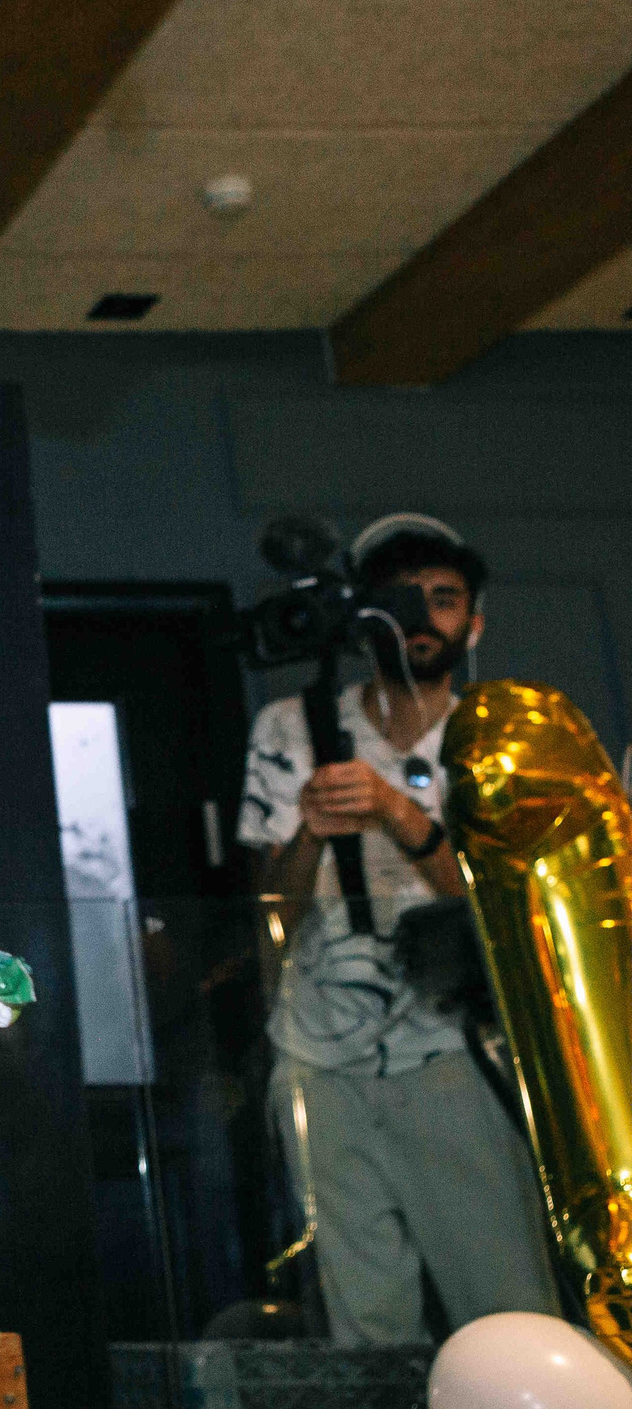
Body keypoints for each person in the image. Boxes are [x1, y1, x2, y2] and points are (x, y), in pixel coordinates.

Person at [239, 512, 560, 1345]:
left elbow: (517, 904)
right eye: (401, 597)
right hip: (320, 1052)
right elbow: (269, 912)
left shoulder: (502, 734)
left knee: (505, 1296)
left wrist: (399, 815)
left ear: (475, 620)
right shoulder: (292, 727)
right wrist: (312, 828)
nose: (421, 617)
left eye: (444, 599)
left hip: (460, 1050)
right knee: (364, 1314)